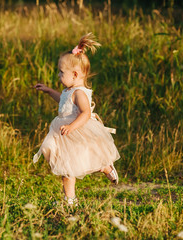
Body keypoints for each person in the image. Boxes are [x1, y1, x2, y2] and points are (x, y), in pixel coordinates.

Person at [33, 33, 120, 206]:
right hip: (65, 132)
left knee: (73, 165)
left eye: (61, 72)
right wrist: (49, 91)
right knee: (69, 166)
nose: (58, 76)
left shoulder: (79, 93)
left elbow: (85, 113)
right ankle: (71, 199)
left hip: (76, 130)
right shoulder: (68, 91)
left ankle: (103, 168)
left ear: (74, 74)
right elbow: (64, 102)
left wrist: (72, 126)